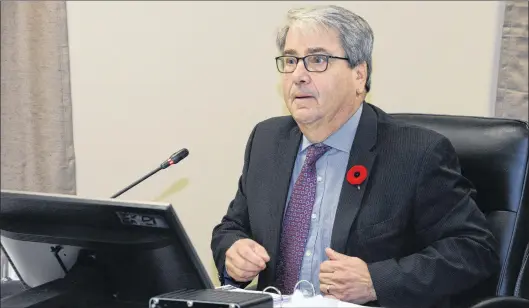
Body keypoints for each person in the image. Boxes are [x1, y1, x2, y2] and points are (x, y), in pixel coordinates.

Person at [210, 5, 499, 308]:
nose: (298, 75)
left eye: (317, 60)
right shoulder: (267, 141)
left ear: (359, 75)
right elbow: (232, 227)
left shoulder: (416, 153)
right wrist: (233, 251)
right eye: (291, 60)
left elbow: (474, 249)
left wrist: (378, 281)